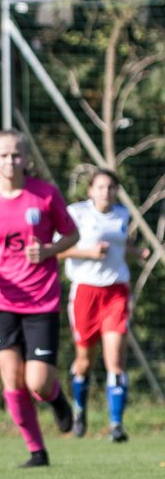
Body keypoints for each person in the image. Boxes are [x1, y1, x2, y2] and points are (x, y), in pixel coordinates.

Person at [0, 129, 80, 468]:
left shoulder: (46, 195)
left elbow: (72, 234)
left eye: (17, 154)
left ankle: (56, 397)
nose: (11, 160)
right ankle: (37, 451)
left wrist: (50, 249)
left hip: (41, 299)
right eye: (4, 155)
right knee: (11, 375)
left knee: (37, 382)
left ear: (26, 158)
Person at [57, 167, 150, 442]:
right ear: (90, 190)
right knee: (85, 361)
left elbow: (123, 243)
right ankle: (79, 411)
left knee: (116, 361)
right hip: (86, 293)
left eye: (111, 187)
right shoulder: (77, 213)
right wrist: (88, 252)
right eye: (100, 187)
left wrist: (137, 251)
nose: (106, 192)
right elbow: (59, 250)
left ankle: (116, 425)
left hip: (116, 293)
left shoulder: (122, 214)